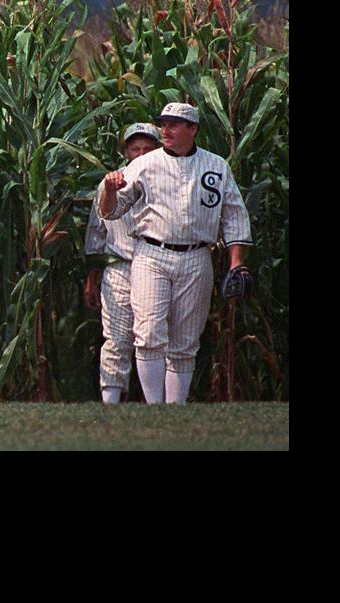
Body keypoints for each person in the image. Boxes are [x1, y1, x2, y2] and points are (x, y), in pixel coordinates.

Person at [98, 102, 252, 404]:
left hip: (197, 255)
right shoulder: (144, 164)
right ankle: (156, 408)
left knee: (185, 340)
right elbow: (112, 212)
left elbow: (234, 215)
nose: (165, 130)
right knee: (148, 333)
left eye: (173, 125)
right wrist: (110, 189)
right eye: (163, 124)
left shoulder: (215, 165)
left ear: (192, 129)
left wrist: (236, 264)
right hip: (151, 253)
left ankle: (176, 409)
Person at [83, 122, 161, 404]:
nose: (140, 154)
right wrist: (91, 277)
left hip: (156, 264)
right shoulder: (110, 184)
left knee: (153, 336)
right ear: (126, 151)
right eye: (135, 148)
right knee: (115, 337)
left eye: (147, 149)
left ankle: (158, 402)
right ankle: (111, 401)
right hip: (119, 266)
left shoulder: (167, 180)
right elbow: (96, 234)